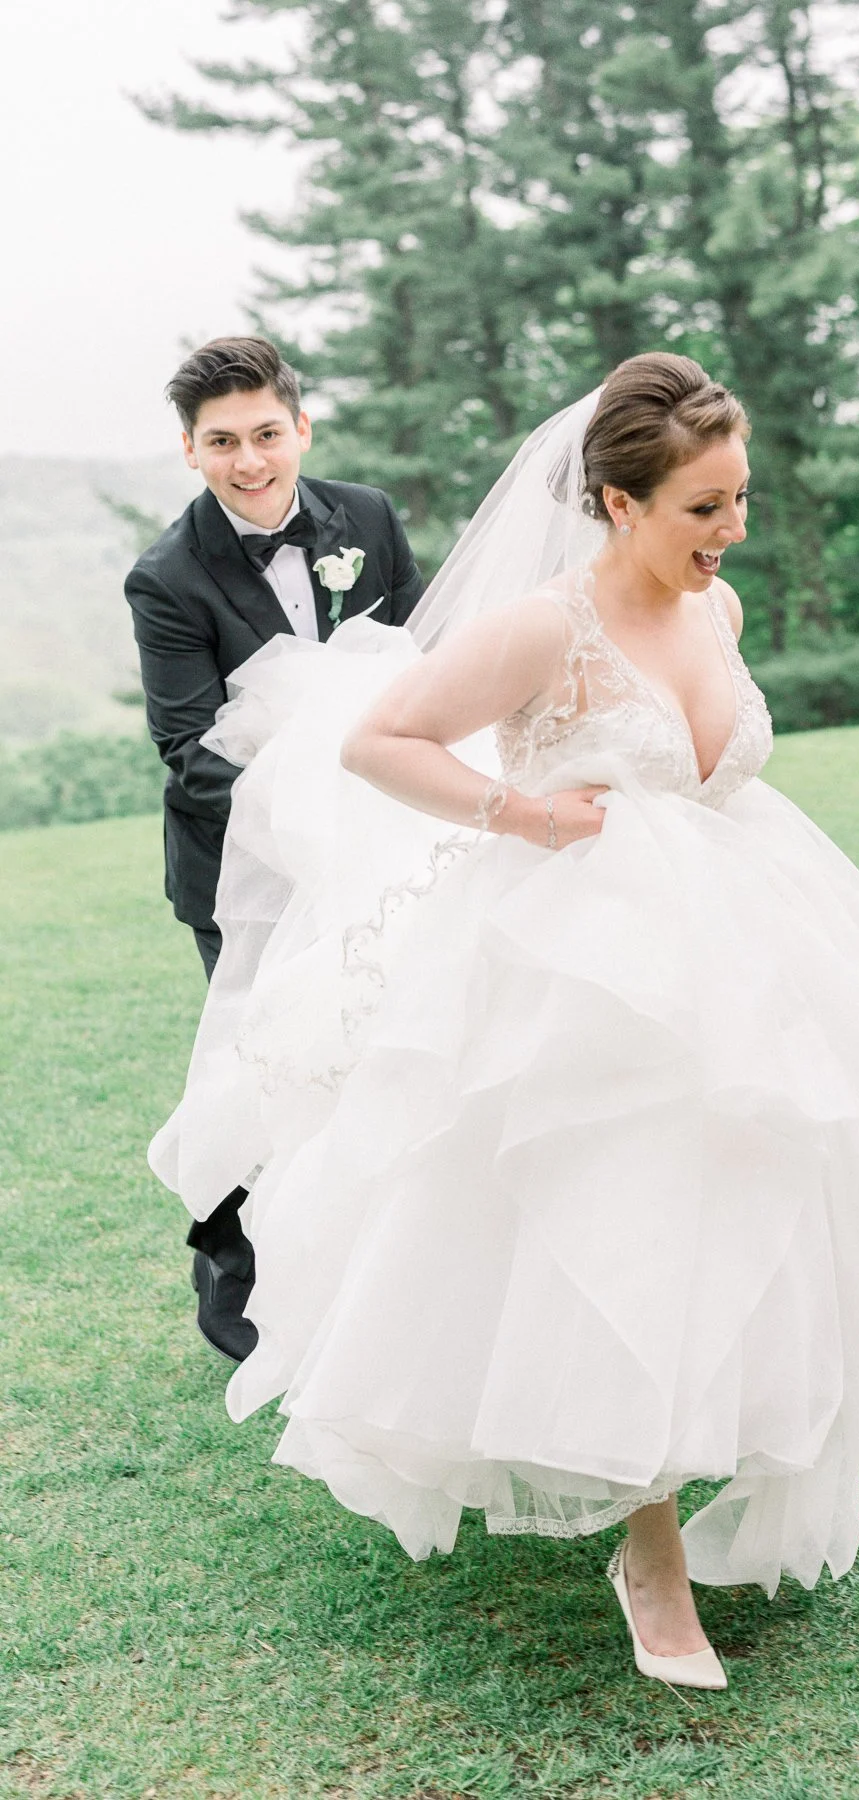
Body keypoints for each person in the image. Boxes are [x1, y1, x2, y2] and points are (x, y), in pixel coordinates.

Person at [150, 353, 859, 1689]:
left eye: (738, 501)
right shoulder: (542, 627)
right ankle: (650, 1545)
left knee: (764, 1206)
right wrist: (524, 811)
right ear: (618, 503)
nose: (730, 532)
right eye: (702, 509)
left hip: (746, 940)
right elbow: (382, 741)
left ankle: (750, 1457)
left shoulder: (715, 608)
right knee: (625, 1216)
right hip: (579, 964)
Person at [126, 336, 425, 1363]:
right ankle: (235, 1281)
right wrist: (316, 817)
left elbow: (425, 667)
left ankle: (376, 1278)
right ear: (189, 450)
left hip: (391, 852)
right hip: (247, 876)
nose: (249, 461)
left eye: (265, 434)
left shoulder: (370, 519)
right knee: (262, 1073)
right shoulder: (165, 576)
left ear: (301, 426)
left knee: (382, 1058)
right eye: (222, 443)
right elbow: (187, 751)